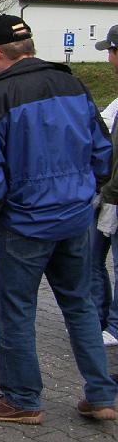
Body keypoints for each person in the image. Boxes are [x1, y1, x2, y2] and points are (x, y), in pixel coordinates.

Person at [0, 14, 117, 424]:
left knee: (16, 311)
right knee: (80, 305)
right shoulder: (72, 84)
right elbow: (103, 152)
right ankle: (101, 394)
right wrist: (83, 193)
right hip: (75, 218)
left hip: (25, 223)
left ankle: (22, 399)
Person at [92, 24, 118, 349]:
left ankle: (114, 324)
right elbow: (101, 122)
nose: (109, 58)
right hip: (106, 193)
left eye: (110, 51)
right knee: (92, 259)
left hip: (113, 195)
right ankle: (98, 319)